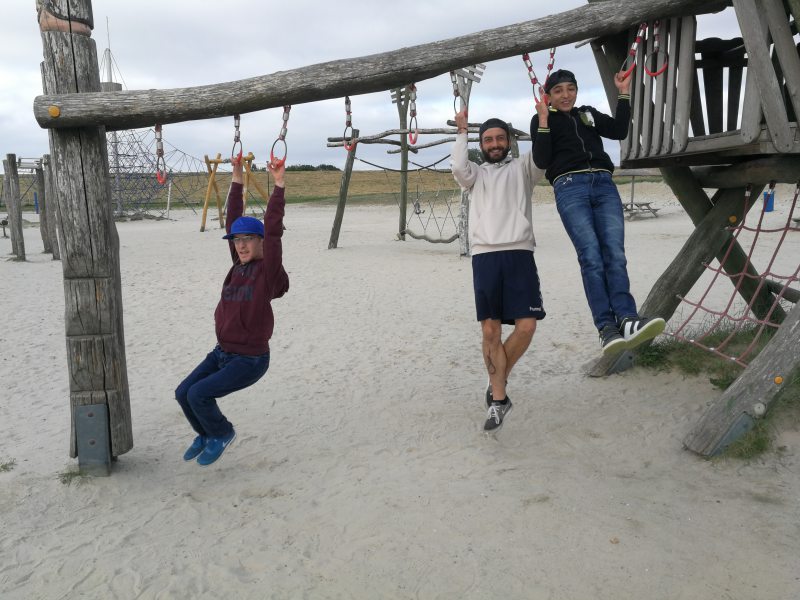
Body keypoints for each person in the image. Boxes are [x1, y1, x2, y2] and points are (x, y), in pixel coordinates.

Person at [530, 69, 665, 355]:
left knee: (615, 254)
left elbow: (619, 130)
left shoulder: (587, 114)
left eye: (570, 88)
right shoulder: (542, 119)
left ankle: (627, 319)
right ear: (548, 96)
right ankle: (606, 327)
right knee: (591, 257)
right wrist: (542, 119)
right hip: (570, 186)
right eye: (558, 91)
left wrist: (623, 92)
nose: (566, 95)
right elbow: (541, 160)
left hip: (604, 184)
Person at [175, 157, 289, 466]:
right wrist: (237, 176)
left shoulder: (267, 272)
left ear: (260, 242)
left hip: (249, 360)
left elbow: (274, 233)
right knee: (183, 392)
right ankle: (205, 433)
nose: (241, 246)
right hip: (222, 352)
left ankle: (222, 433)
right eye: (237, 241)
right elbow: (232, 218)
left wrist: (279, 185)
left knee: (199, 394)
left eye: (248, 239)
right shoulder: (238, 264)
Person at [451, 109, 546, 432]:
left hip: (520, 252)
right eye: (488, 140)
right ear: (481, 145)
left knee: (527, 327)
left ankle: (497, 380)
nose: (494, 144)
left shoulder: (524, 168)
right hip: (485, 256)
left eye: (500, 139)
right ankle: (499, 400)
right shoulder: (475, 175)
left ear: (509, 141)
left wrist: (543, 119)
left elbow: (543, 155)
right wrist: (462, 132)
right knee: (491, 331)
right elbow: (458, 168)